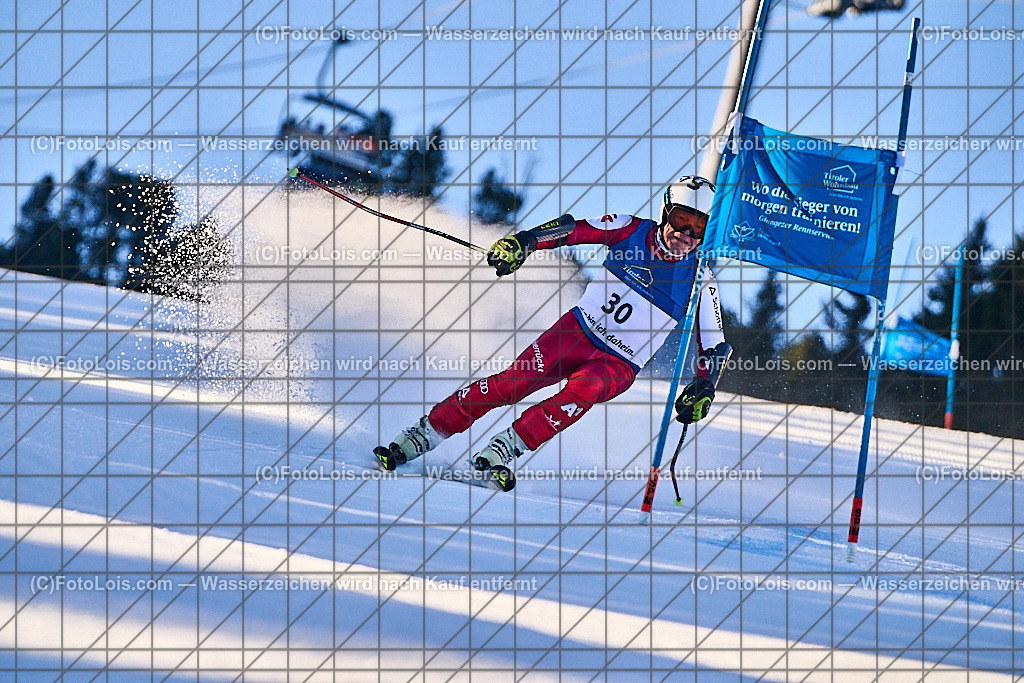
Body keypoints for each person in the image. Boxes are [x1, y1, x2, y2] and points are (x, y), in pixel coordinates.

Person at [375, 176, 728, 491]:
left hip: (618, 363)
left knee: (584, 389)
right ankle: (421, 435)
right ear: (666, 212)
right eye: (682, 220)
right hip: (577, 331)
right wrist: (525, 242)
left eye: (699, 228)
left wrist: (703, 387)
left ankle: (501, 451)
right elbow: (574, 230)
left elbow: (715, 347)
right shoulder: (630, 229)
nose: (687, 234)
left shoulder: (701, 280)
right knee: (512, 383)